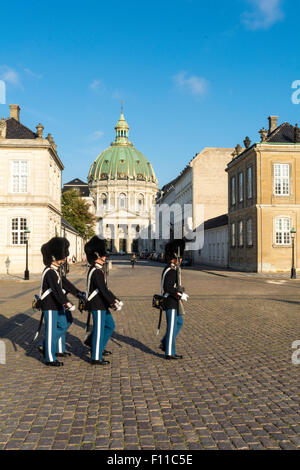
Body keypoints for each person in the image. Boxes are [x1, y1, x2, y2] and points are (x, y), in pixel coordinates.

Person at [39, 237, 85, 366]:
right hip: (50, 305)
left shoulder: (57, 270)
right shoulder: (49, 272)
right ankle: (49, 358)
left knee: (65, 324)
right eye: (62, 256)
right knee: (51, 331)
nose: (64, 258)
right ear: (54, 257)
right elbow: (56, 290)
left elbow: (65, 284)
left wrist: (78, 293)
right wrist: (67, 303)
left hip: (57, 303)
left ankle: (46, 345)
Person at [84, 236, 123, 365]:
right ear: (97, 255)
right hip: (97, 305)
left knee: (110, 325)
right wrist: (113, 303)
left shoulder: (98, 270)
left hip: (102, 304)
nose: (105, 257)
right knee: (99, 330)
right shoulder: (96, 271)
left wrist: (116, 299)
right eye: (103, 255)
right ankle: (96, 356)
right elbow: (102, 290)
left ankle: (97, 346)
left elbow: (105, 289)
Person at [160, 239, 188, 360]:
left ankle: (165, 342)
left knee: (179, 322)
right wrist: (179, 295)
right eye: (179, 257)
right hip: (170, 301)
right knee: (171, 327)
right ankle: (169, 352)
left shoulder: (172, 269)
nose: (180, 260)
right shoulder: (170, 271)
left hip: (174, 301)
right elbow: (168, 288)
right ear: (174, 258)